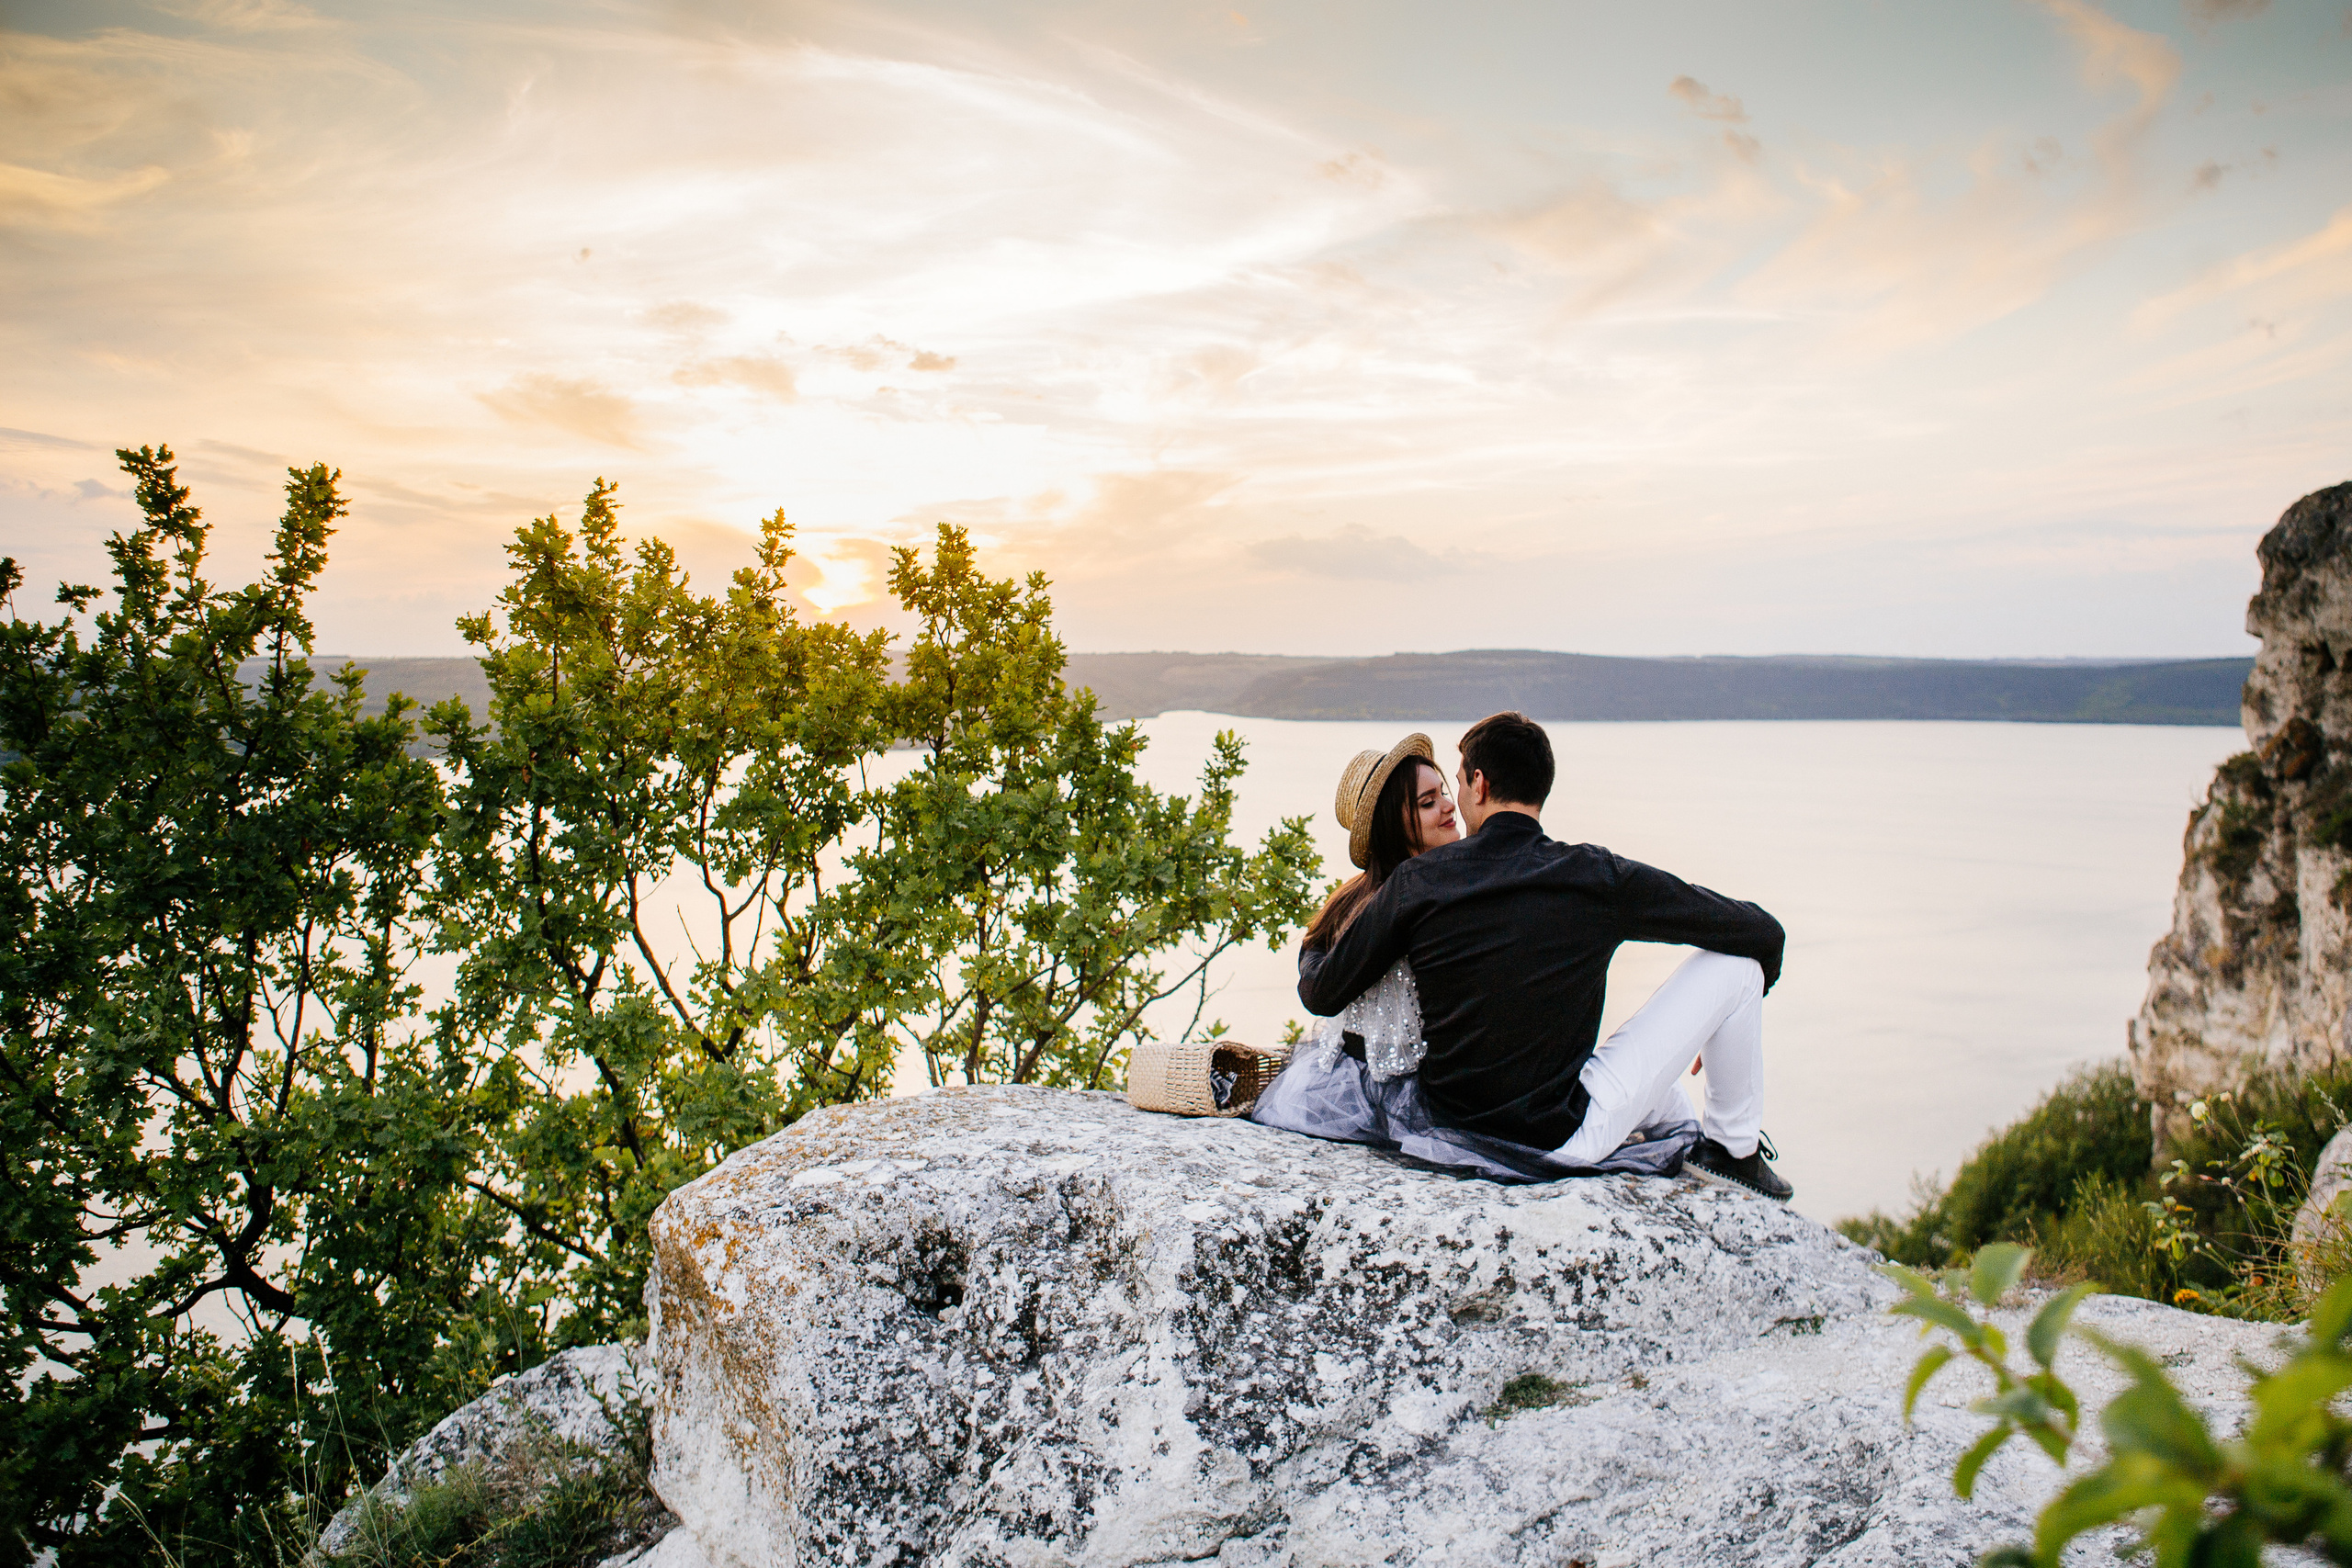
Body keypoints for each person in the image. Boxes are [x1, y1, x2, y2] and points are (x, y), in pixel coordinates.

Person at [1292, 712, 1792, 1201]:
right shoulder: (1595, 875)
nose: (1453, 799)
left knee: (1670, 1101)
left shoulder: (1418, 882)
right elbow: (1760, 932)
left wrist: (1313, 947)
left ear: (1479, 785)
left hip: (1448, 1123)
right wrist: (1726, 1017)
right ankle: (1733, 1150)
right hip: (1557, 1136)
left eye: (1456, 782)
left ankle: (1706, 1137)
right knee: (1737, 967)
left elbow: (1321, 992)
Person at [1250, 732, 1698, 1184]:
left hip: (1439, 1086)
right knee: (1661, 1098)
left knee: (1663, 1094)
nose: (1448, 806)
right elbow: (1322, 986)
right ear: (1394, 824)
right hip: (1393, 1089)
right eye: (1428, 802)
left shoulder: (1433, 886)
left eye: (1444, 791)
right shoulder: (1400, 895)